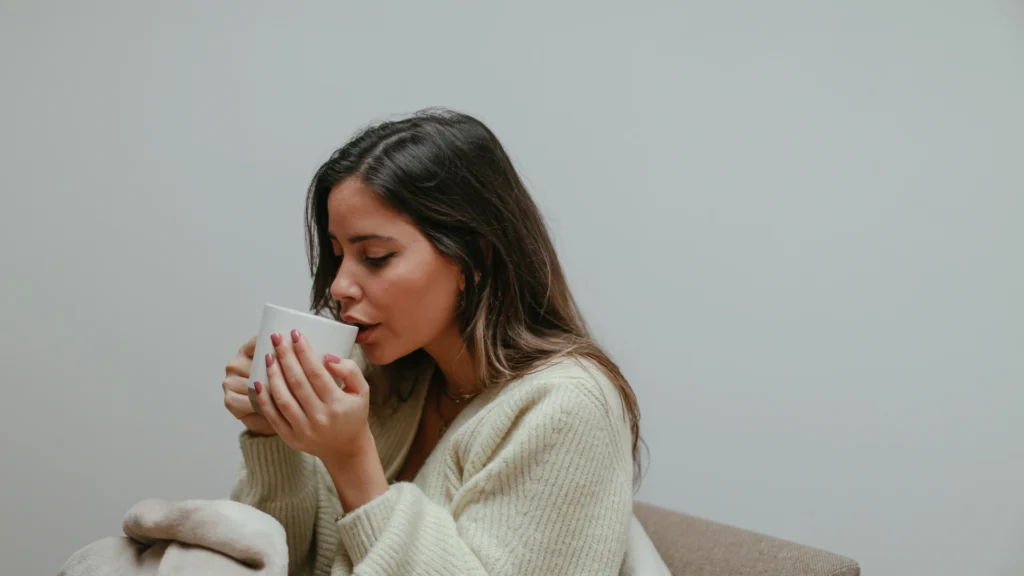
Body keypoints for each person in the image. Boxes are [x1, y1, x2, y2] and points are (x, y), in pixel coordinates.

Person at [220, 108, 644, 576]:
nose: (339, 286)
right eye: (338, 256)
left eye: (376, 257)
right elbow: (284, 563)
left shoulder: (569, 408)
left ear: (474, 257)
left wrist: (352, 460)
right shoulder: (381, 376)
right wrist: (273, 435)